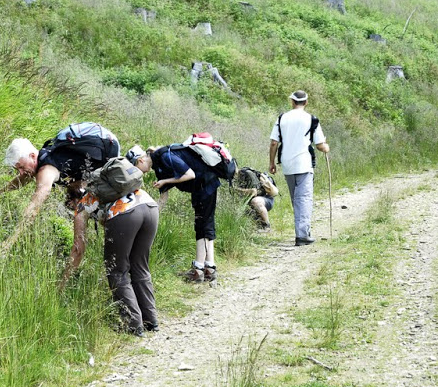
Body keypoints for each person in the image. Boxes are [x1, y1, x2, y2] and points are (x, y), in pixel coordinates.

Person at [59, 158, 159, 337]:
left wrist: (63, 280)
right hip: (149, 206)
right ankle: (150, 320)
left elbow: (78, 248)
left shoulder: (82, 204)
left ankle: (132, 324)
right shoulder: (109, 190)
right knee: (140, 266)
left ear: (72, 200)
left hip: (125, 212)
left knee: (116, 270)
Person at [0, 122, 120, 254]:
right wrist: (0, 193)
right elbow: (22, 179)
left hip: (106, 157)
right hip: (105, 150)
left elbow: (34, 206)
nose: (21, 172)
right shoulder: (46, 155)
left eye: (22, 167)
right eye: (18, 169)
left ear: (32, 156)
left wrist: (10, 241)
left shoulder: (45, 171)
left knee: (107, 214)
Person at [126, 144, 221, 283]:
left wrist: (165, 181)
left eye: (136, 169)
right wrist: (148, 220)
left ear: (140, 160)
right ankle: (207, 268)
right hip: (199, 187)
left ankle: (200, 269)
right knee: (201, 223)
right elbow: (163, 199)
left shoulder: (165, 156)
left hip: (207, 184)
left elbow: (190, 174)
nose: (140, 173)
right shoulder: (159, 167)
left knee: (204, 224)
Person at [269, 90, 329, 246]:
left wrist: (272, 163)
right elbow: (320, 145)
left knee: (296, 198)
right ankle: (302, 235)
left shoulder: (282, 118)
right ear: (306, 102)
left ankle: (302, 231)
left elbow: (274, 142)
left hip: (287, 164)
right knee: (304, 199)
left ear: (292, 101)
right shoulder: (311, 119)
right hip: (304, 163)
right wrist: (326, 147)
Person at [233, 167, 279, 231]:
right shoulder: (232, 179)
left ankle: (267, 227)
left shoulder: (247, 174)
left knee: (255, 201)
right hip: (250, 202)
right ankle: (257, 225)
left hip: (265, 199)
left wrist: (249, 191)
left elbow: (255, 192)